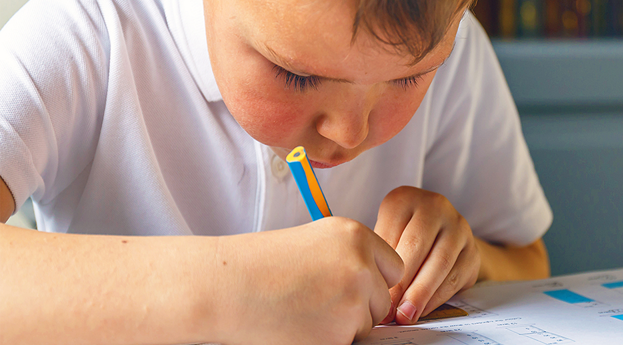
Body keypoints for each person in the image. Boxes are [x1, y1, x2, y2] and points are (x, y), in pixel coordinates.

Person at [0, 0, 553, 343]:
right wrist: (236, 291)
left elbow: (529, 259)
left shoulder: (453, 50)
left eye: (409, 80)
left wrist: (465, 262)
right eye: (293, 75)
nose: (350, 134)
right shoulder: (86, 31)